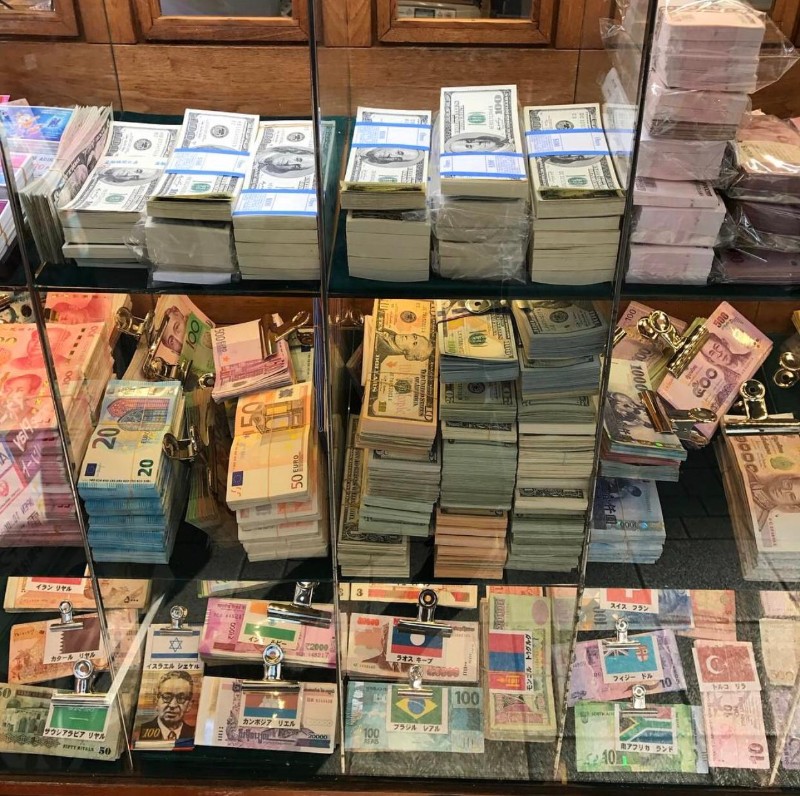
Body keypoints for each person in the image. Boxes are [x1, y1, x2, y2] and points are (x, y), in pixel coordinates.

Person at [137, 670, 195, 744]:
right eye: (167, 697)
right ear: (156, 700)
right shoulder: (139, 731)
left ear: (189, 705)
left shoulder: (194, 733)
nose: (173, 705)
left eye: (181, 698)